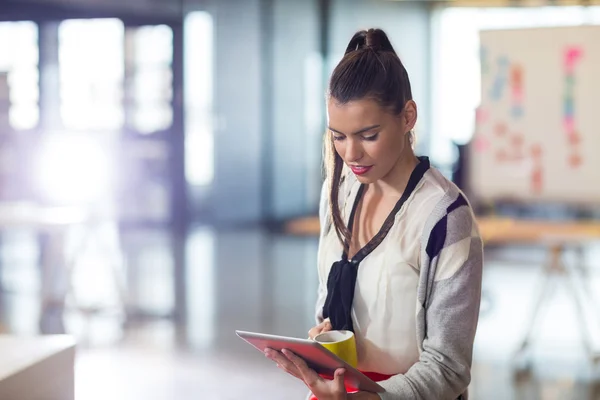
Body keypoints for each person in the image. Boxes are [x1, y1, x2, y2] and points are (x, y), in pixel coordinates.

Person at [265, 28, 483, 400]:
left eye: (368, 135)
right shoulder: (338, 190)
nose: (350, 155)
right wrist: (322, 343)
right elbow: (328, 307)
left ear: (408, 116)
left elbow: (448, 367)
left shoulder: (445, 217)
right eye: (338, 136)